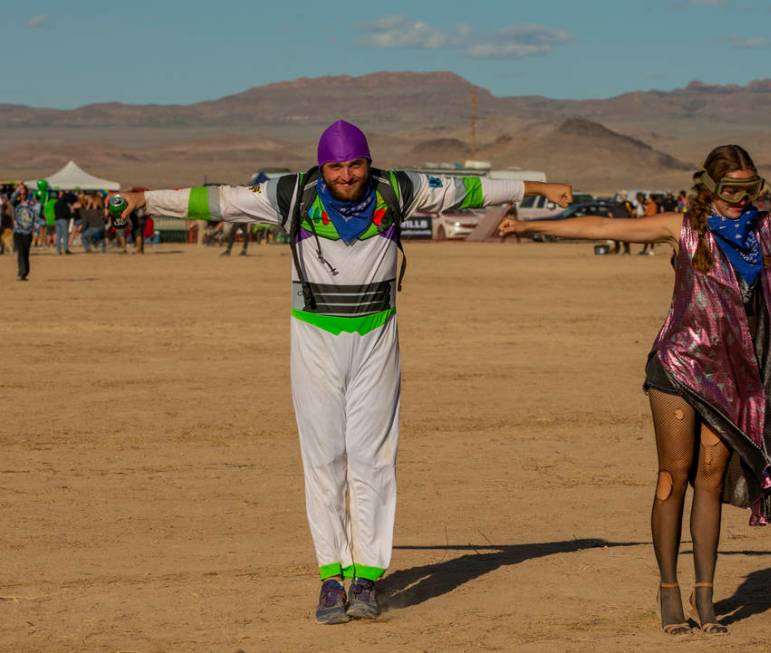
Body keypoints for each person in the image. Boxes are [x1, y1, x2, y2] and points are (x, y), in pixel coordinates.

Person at [114, 119, 572, 625]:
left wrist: (535, 187)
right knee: (325, 458)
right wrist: (144, 198)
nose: (347, 175)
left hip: (377, 340)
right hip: (314, 344)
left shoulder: (398, 189)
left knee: (374, 459)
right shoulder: (292, 194)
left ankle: (367, 579)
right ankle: (331, 577)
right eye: (336, 165)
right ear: (323, 165)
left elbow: (467, 190)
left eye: (355, 164)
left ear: (368, 162)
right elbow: (216, 201)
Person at [498, 144, 771, 635]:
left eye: (751, 189)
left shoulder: (762, 229)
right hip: (678, 368)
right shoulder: (682, 227)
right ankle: (668, 590)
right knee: (673, 475)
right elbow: (601, 228)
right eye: (732, 190)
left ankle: (706, 594)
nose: (742, 199)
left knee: (712, 480)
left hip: (728, 378)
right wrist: (528, 227)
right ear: (711, 188)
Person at [10, 186, 39, 280]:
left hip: (28, 232)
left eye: (23, 193)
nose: (21, 195)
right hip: (18, 231)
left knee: (25, 253)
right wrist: (18, 190)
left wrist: (36, 229)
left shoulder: (32, 204)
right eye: (20, 194)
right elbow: (12, 200)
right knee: (21, 252)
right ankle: (22, 273)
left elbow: (36, 216)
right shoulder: (16, 203)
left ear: (26, 193)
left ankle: (25, 272)